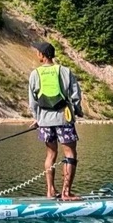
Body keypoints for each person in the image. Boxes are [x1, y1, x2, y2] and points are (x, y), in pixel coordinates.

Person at [28, 41, 83, 201]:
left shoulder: (35, 74)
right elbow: (75, 95)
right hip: (63, 119)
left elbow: (32, 101)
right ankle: (66, 193)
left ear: (42, 55)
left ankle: (51, 191)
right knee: (70, 153)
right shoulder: (65, 71)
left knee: (51, 154)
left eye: (38, 52)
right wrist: (78, 111)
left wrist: (37, 118)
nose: (37, 54)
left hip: (45, 121)